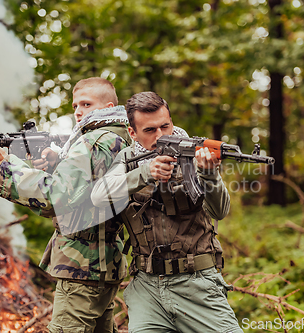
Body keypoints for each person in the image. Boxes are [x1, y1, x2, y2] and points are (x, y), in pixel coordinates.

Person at [0, 77, 132, 333]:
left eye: (87, 104)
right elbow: (87, 193)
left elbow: (55, 197)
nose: (79, 111)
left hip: (82, 267)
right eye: (75, 105)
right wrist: (59, 164)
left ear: (108, 106)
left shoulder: (91, 143)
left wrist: (5, 166)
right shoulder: (118, 139)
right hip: (104, 263)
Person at [91, 91, 243, 333]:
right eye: (150, 130)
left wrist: (209, 174)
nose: (161, 136)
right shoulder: (128, 159)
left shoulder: (194, 153)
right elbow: (98, 196)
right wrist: (145, 173)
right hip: (147, 290)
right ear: (133, 133)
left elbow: (220, 211)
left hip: (198, 284)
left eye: (165, 126)